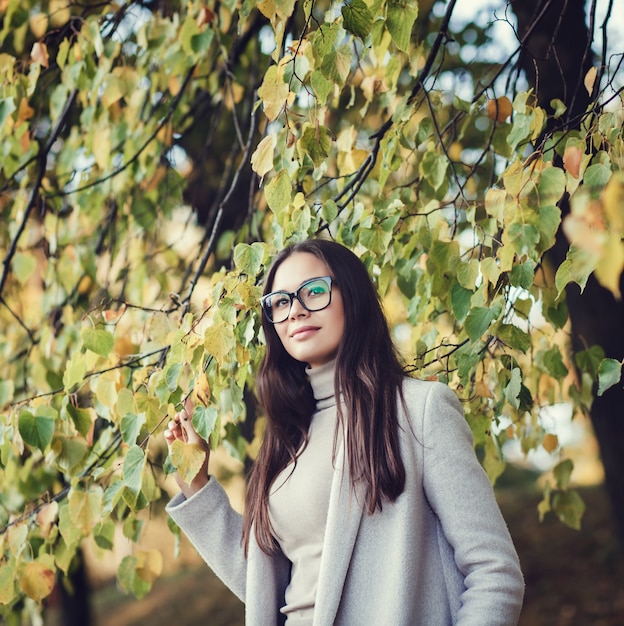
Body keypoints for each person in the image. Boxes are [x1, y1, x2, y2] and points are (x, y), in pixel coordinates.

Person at [164, 239, 525, 626]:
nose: (296, 311)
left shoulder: (420, 410)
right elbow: (267, 591)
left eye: (314, 291)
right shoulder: (286, 435)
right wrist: (197, 483)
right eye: (281, 302)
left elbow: (495, 572)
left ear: (351, 296)